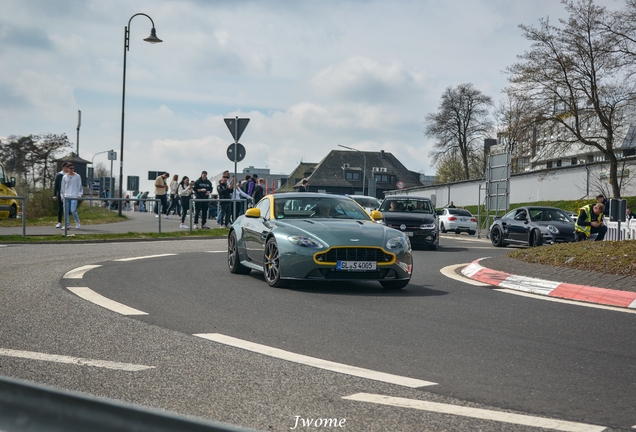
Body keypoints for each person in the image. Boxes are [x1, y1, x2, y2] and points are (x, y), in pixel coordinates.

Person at [60, 164, 83, 230]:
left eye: (73, 168)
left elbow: (80, 186)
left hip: (74, 196)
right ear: (67, 169)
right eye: (70, 168)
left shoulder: (77, 176)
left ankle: (77, 221)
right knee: (66, 211)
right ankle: (67, 225)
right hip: (67, 196)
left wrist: (79, 194)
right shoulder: (64, 177)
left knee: (73, 210)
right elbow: (63, 187)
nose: (72, 169)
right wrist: (62, 196)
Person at [53, 162, 70, 228]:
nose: (68, 169)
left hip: (69, 194)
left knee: (68, 209)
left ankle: (67, 223)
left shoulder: (70, 175)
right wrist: (54, 195)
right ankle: (59, 222)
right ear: (64, 167)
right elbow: (56, 186)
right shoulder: (59, 175)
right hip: (61, 194)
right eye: (67, 167)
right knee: (60, 208)